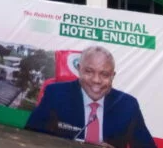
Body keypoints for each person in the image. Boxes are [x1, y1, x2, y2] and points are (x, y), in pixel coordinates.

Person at [25, 45, 155, 148]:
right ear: (79, 69)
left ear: (112, 76)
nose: (96, 80)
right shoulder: (56, 94)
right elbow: (30, 137)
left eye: (104, 74)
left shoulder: (128, 105)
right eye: (89, 71)